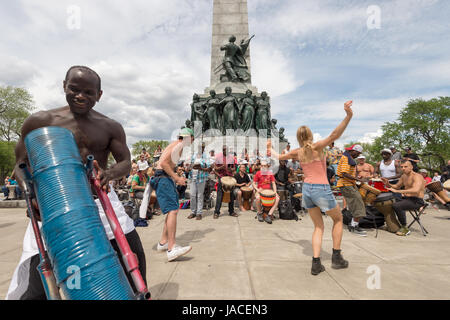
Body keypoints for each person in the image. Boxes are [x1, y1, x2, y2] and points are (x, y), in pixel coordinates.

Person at [7, 66, 146, 299]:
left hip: (100, 202)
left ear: (99, 95)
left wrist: (109, 174)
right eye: (74, 89)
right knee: (40, 277)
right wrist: (30, 196)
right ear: (64, 86)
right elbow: (20, 165)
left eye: (88, 92)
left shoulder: (110, 126)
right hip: (52, 208)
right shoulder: (41, 121)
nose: (80, 96)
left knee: (133, 262)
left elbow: (125, 162)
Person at [272, 100, 353, 275]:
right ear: (310, 135)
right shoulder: (317, 146)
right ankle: (337, 257)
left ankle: (316, 263)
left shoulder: (297, 152)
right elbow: (334, 135)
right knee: (338, 219)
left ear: (298, 137)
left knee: (318, 227)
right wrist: (348, 115)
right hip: (321, 187)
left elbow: (279, 155)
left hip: (307, 189)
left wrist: (269, 148)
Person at [151, 127, 193, 262]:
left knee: (171, 211)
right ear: (187, 138)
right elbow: (163, 163)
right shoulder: (179, 145)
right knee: (173, 211)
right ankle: (171, 248)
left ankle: (163, 242)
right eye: (192, 138)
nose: (192, 141)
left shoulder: (177, 145)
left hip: (163, 178)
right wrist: (177, 178)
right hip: (163, 178)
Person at [382, 160, 426, 236]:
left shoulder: (417, 176)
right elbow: (396, 186)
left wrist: (397, 191)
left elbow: (416, 190)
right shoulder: (404, 176)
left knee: (397, 205)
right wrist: (388, 184)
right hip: (407, 199)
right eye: (401, 167)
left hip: (417, 201)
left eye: (405, 166)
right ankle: (393, 225)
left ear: (411, 167)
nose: (403, 168)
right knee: (388, 202)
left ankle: (404, 227)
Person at [337, 144, 367, 236]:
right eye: (358, 153)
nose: (358, 155)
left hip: (349, 184)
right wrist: (357, 179)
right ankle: (354, 227)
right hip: (346, 184)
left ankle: (354, 224)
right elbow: (344, 173)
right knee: (358, 203)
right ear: (353, 151)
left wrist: (356, 177)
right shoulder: (346, 158)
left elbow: (347, 172)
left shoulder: (348, 157)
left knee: (357, 203)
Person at [213, 145, 238, 219]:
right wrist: (221, 168)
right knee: (219, 196)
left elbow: (234, 168)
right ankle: (216, 212)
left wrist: (231, 170)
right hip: (222, 178)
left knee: (231, 195)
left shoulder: (231, 157)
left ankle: (231, 211)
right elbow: (215, 169)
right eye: (224, 150)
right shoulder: (218, 157)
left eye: (226, 150)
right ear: (222, 150)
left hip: (229, 178)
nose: (225, 151)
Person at [187, 143, 211, 220]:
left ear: (204, 148)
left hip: (201, 178)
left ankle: (199, 213)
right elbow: (190, 165)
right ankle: (193, 212)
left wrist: (201, 168)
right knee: (192, 195)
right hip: (192, 177)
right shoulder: (194, 155)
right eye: (200, 147)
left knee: (200, 196)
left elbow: (209, 169)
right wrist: (189, 167)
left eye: (202, 147)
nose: (201, 149)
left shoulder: (206, 156)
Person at [130, 162, 150, 227]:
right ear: (143, 169)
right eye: (146, 168)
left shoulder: (146, 176)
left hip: (143, 191)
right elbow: (133, 186)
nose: (147, 169)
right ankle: (141, 215)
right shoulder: (136, 176)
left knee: (152, 195)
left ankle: (149, 211)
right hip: (136, 192)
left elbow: (149, 183)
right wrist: (144, 187)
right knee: (145, 197)